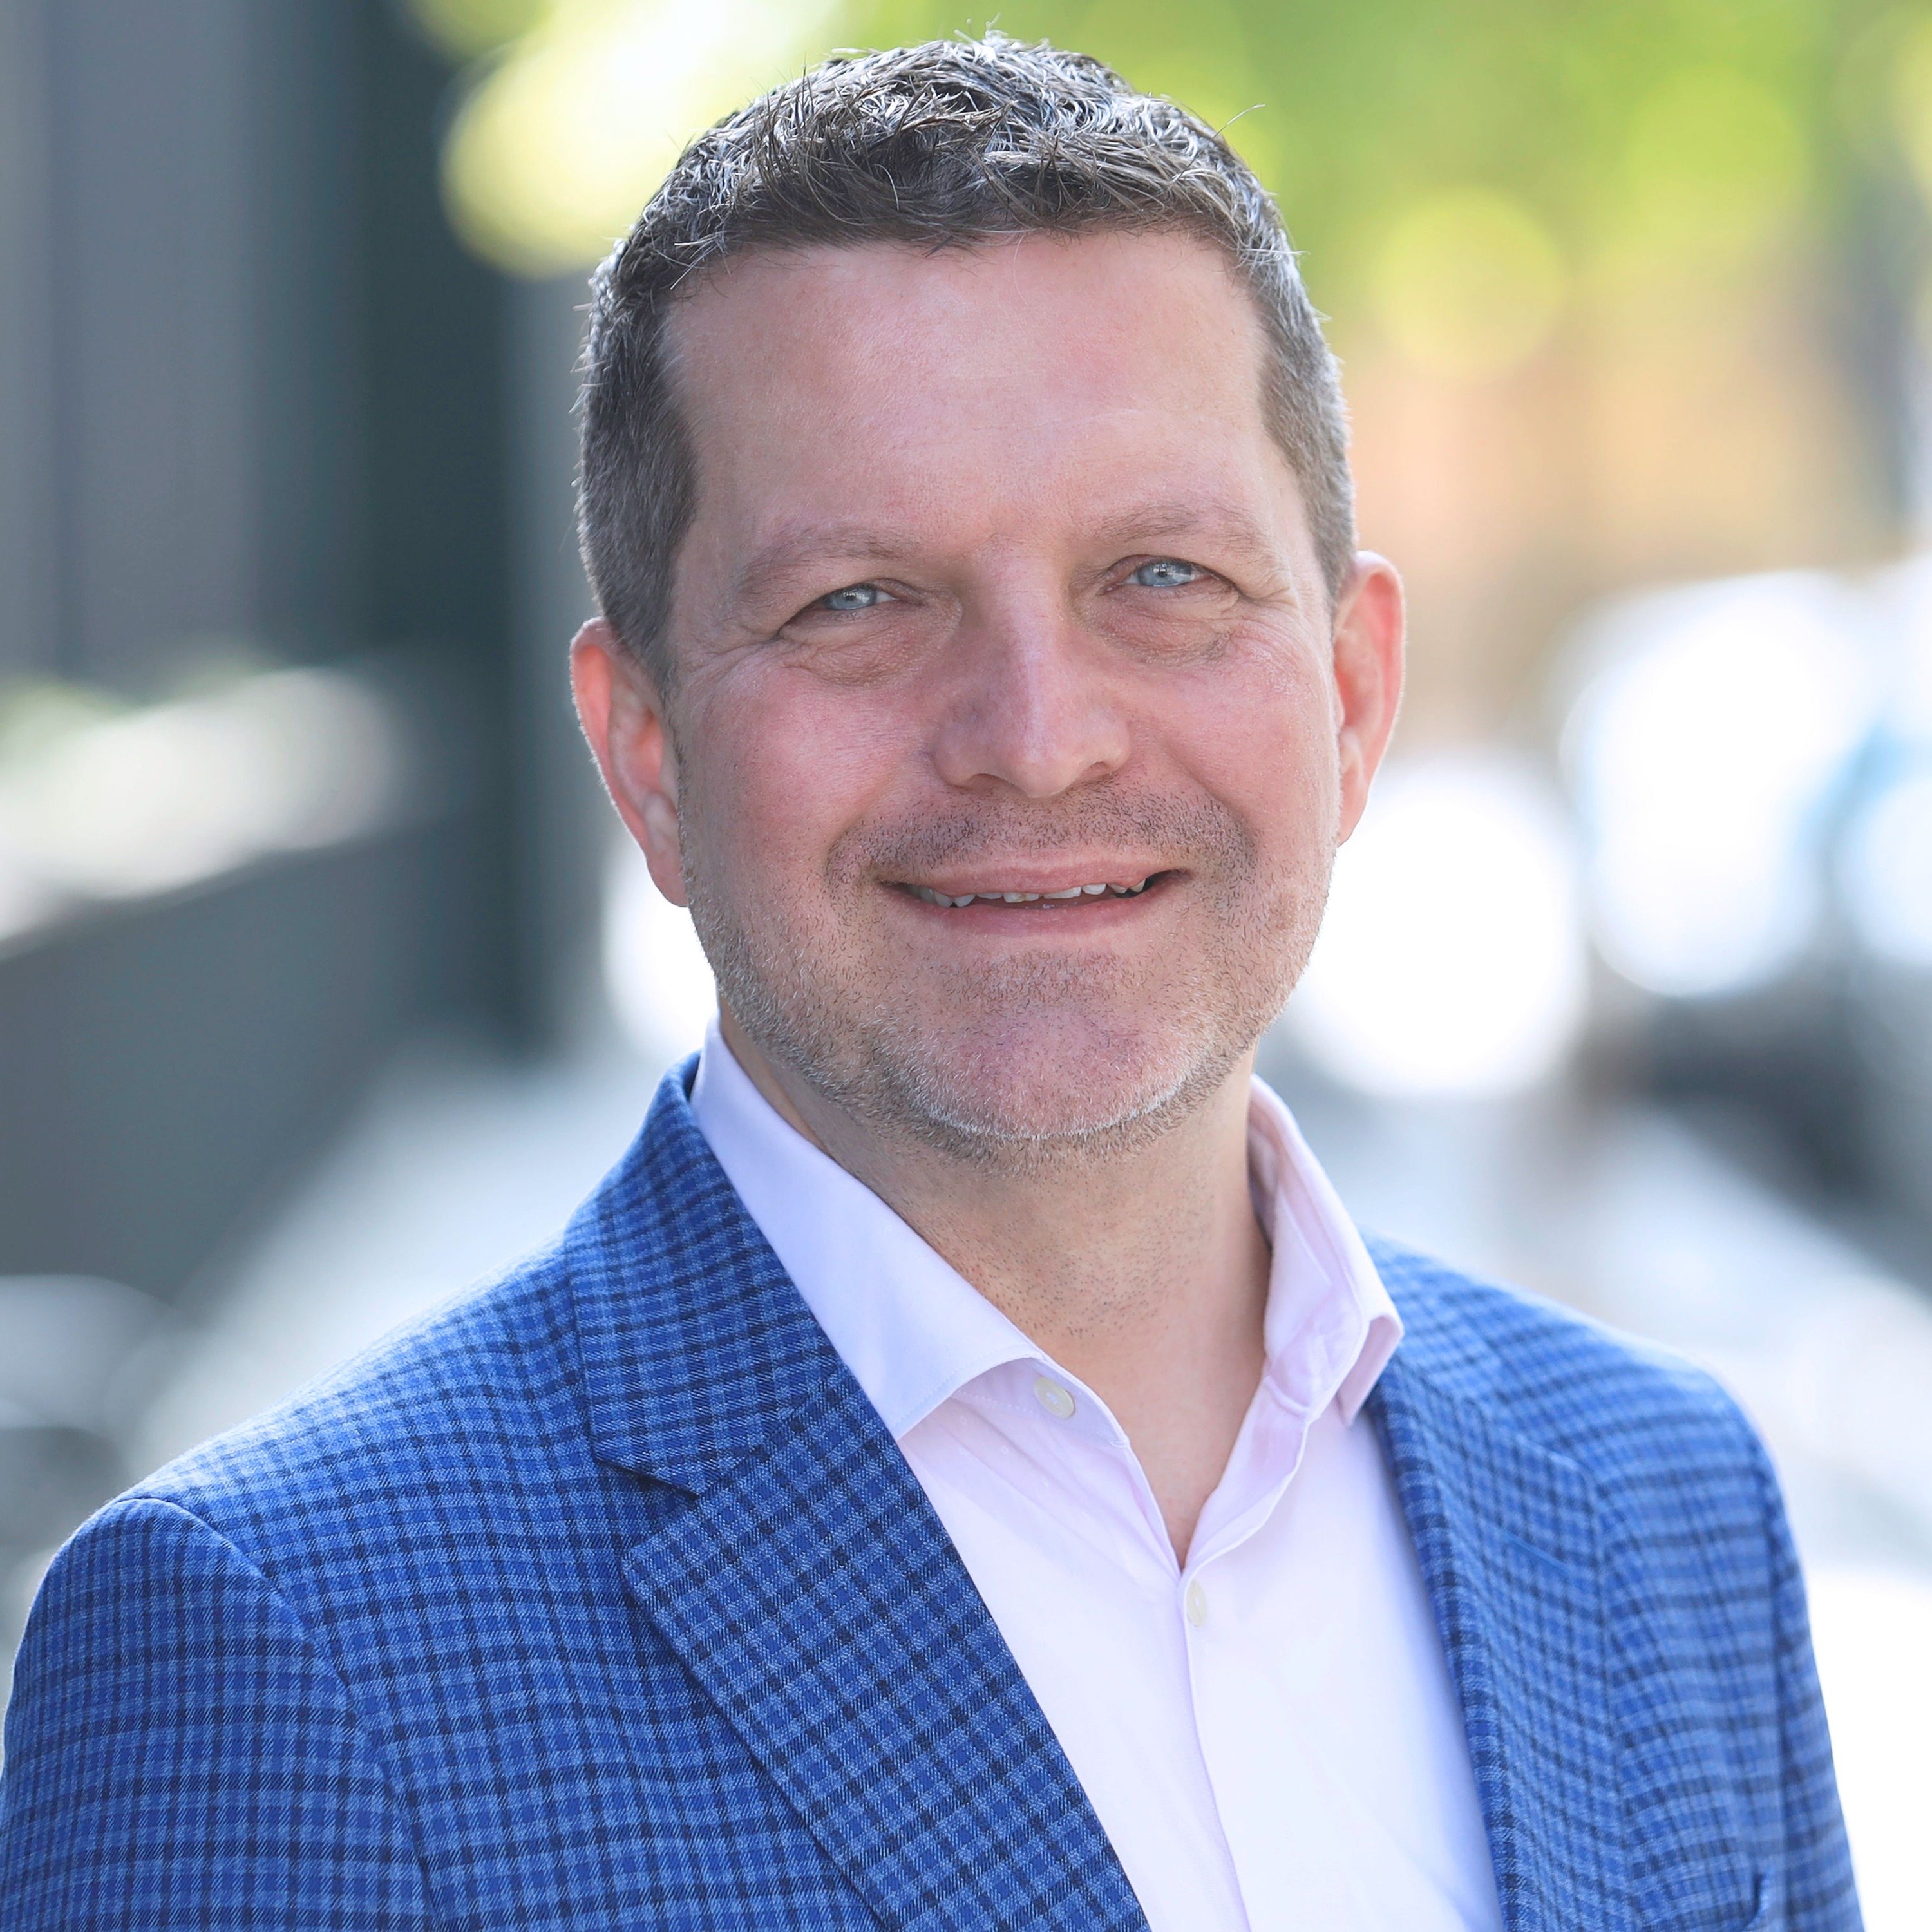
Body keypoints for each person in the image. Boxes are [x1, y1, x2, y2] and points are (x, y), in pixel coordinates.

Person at [0, 35, 1859, 1932]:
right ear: (647, 753)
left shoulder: (1667, 1507)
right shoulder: (277, 1653)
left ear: (1353, 691)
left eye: (1162, 576)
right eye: (860, 601)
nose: (1037, 739)